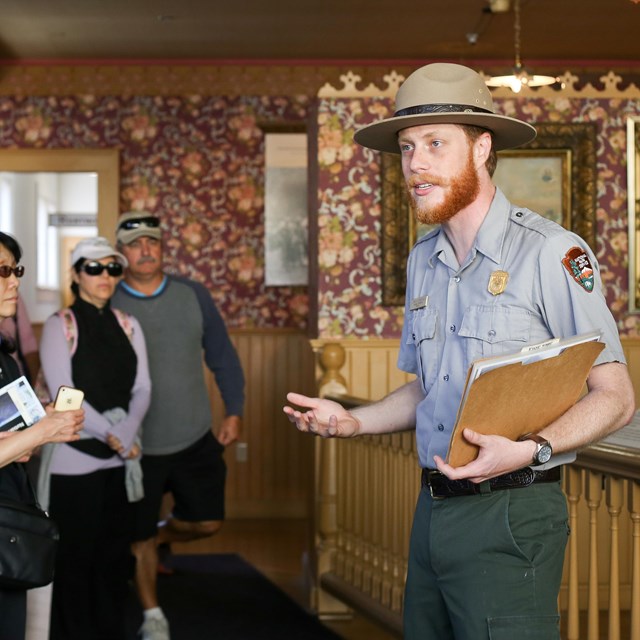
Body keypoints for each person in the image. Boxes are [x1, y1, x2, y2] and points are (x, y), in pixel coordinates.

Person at [283, 63, 636, 640]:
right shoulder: (425, 259)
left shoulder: (551, 253)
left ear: (481, 148)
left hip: (511, 510)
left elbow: (616, 397)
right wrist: (352, 421)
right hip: (433, 508)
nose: (415, 164)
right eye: (406, 148)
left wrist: (530, 450)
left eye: (435, 144)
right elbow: (429, 386)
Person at [111, 211, 245, 640]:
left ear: (162, 247)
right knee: (138, 537)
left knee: (207, 523)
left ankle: (160, 535)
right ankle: (152, 615)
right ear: (122, 253)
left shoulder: (193, 294)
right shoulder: (108, 300)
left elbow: (221, 354)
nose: (145, 250)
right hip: (135, 446)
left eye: (152, 242)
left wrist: (234, 409)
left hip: (193, 436)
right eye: (135, 244)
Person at [38, 236, 151, 640]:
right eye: (94, 267)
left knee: (112, 562)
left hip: (118, 462)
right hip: (73, 462)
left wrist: (124, 433)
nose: (105, 276)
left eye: (113, 268)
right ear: (75, 274)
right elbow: (66, 394)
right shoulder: (59, 325)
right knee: (74, 564)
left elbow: (143, 388)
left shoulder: (128, 323)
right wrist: (112, 434)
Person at [0, 231, 84, 639]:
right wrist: (45, 429)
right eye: (2, 272)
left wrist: (39, 427)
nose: (15, 281)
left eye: (15, 270)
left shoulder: (5, 353)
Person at [0, 292, 40, 383]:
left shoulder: (13, 297)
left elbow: (29, 343)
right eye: (4, 276)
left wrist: (34, 387)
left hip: (14, 378)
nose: (15, 282)